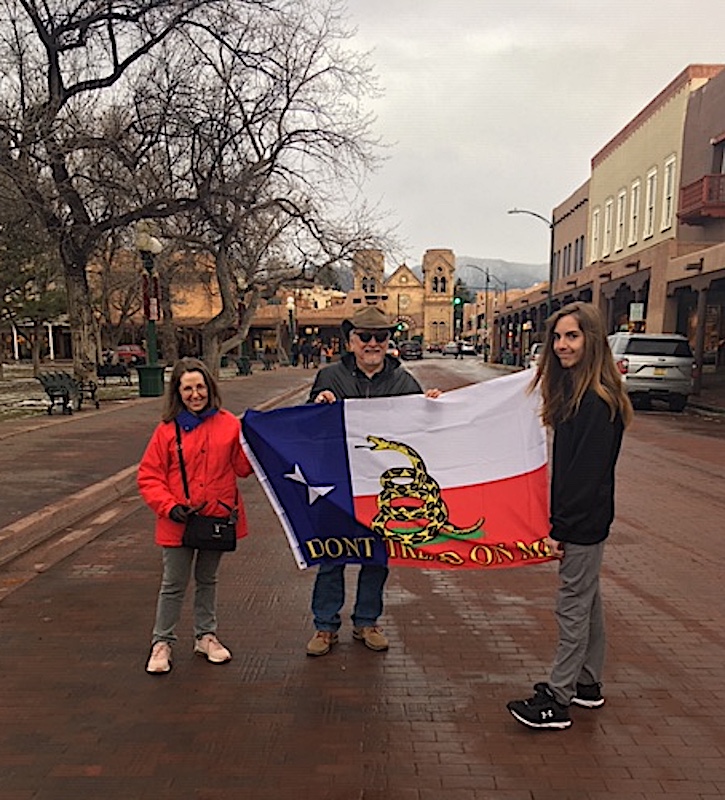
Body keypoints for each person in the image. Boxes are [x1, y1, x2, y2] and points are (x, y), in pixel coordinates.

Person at [507, 302, 633, 729]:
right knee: (587, 598)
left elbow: (584, 476)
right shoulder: (577, 393)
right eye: (558, 337)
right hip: (587, 519)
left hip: (582, 521)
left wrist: (558, 528)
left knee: (572, 606)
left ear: (592, 340)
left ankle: (557, 700)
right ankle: (587, 683)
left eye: (572, 336)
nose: (562, 345)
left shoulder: (596, 403)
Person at [306, 306, 441, 657]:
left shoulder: (404, 382)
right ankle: (325, 626)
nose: (372, 343)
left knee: (376, 558)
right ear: (351, 341)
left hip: (381, 488)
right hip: (338, 484)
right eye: (364, 337)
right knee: (332, 556)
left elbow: (422, 430)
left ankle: (367, 621)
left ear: (388, 341)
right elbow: (308, 426)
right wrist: (317, 405)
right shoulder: (329, 377)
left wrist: (434, 407)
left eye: (379, 337)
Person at [138, 357, 253, 675]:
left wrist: (252, 439)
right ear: (177, 392)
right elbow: (149, 475)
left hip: (216, 518)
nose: (195, 394)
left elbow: (243, 469)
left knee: (207, 580)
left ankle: (206, 635)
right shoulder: (166, 431)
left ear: (210, 387)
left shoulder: (230, 424)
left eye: (200, 386)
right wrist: (168, 505)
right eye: (187, 388)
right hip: (178, 519)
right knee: (173, 583)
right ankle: (162, 641)